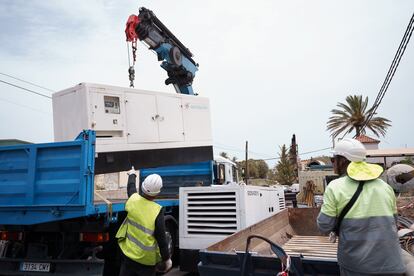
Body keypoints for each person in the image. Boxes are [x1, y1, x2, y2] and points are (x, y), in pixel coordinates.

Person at [317, 138, 405, 276]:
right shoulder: (386, 187)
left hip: (357, 267)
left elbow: (324, 226)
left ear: (343, 161)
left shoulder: (335, 187)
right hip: (392, 264)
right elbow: (393, 223)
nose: (332, 163)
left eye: (333, 159)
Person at [116, 169, 172, 276]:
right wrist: (167, 258)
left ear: (142, 187)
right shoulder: (157, 210)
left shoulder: (133, 200)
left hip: (129, 255)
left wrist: (132, 174)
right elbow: (161, 238)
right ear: (158, 193)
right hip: (147, 262)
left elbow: (131, 188)